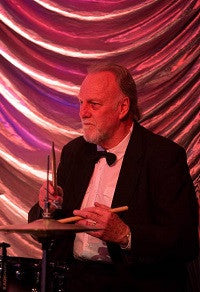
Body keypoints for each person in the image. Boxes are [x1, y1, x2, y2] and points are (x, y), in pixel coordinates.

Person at [28, 63, 199, 292]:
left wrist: (126, 235)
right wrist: (48, 207)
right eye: (81, 102)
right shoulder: (74, 152)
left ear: (123, 107)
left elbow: (185, 241)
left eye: (94, 104)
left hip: (134, 283)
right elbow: (41, 231)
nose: (82, 112)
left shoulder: (163, 156)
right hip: (75, 281)